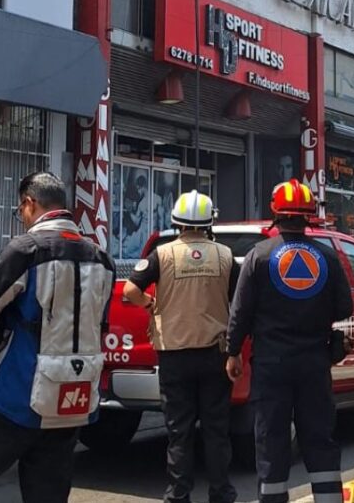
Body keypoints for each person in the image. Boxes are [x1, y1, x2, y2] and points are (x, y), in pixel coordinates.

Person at [0, 172, 116, 503]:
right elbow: (99, 324)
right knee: (47, 494)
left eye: (20, 210)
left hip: (18, 393)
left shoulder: (26, 251)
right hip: (75, 398)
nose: (21, 218)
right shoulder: (101, 259)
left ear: (29, 203)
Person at [225, 179, 354, 503]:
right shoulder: (326, 256)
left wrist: (232, 352)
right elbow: (345, 307)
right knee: (319, 438)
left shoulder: (260, 256)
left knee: (272, 440)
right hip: (315, 362)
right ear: (309, 215)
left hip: (271, 365)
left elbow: (240, 311)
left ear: (276, 213)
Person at [124, 191, 239, 503]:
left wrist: (150, 304)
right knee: (216, 430)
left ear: (176, 221)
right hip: (215, 354)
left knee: (179, 430)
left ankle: (178, 495)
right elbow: (238, 303)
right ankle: (221, 493)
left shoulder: (161, 255)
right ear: (209, 222)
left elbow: (131, 289)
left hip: (174, 354)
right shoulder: (225, 255)